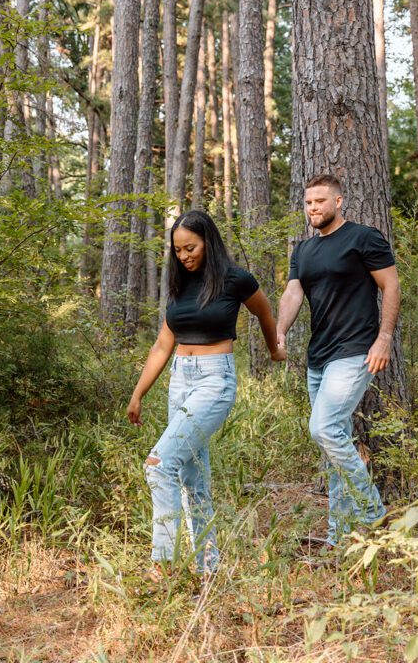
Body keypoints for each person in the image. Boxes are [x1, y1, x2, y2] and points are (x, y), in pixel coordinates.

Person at [127, 210, 285, 579]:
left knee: (159, 465)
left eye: (191, 248)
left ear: (208, 242)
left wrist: (275, 348)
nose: (184, 256)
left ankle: (162, 564)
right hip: (180, 380)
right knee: (192, 479)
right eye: (178, 250)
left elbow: (264, 314)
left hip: (215, 380)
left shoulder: (235, 279)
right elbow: (162, 346)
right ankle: (207, 567)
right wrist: (138, 395)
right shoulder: (180, 285)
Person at [276, 174, 400, 546]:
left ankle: (373, 512)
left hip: (356, 350)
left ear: (338, 202)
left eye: (320, 201)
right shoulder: (304, 250)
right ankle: (339, 538)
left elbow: (391, 285)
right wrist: (280, 330)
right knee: (336, 442)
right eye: (308, 203)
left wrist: (385, 338)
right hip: (319, 357)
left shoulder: (363, 237)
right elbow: (293, 292)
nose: (313, 208)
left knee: (325, 429)